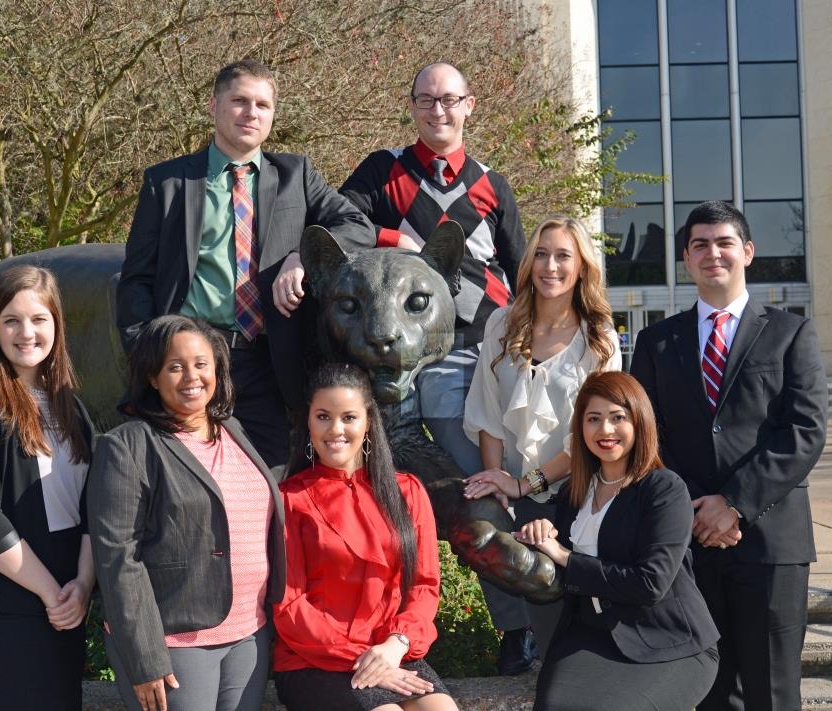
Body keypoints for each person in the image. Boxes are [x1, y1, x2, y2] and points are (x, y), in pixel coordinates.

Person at [340, 61, 530, 674]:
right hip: (399, 346)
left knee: (472, 483)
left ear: (469, 106)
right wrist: (406, 247)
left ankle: (518, 626)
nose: (438, 110)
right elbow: (344, 227)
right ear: (413, 105)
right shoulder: (383, 170)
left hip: (472, 350)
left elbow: (519, 268)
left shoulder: (492, 185)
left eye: (449, 100)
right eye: (426, 100)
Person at [117, 59, 374, 468]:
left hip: (267, 361)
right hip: (190, 358)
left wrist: (300, 257)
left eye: (262, 104)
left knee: (266, 483)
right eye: (239, 101)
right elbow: (136, 281)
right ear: (214, 106)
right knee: (187, 481)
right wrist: (148, 352)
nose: (251, 112)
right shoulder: (166, 183)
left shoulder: (296, 174)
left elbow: (357, 225)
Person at [630, 200, 827, 710]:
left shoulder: (791, 333)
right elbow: (649, 438)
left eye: (724, 242)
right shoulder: (656, 342)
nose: (712, 253)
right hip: (689, 541)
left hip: (771, 542)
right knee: (708, 690)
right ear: (686, 259)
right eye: (699, 244)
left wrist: (733, 503)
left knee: (773, 691)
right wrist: (698, 508)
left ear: (748, 252)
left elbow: (804, 432)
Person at [88, 315, 285, 711]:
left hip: (249, 634)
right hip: (175, 642)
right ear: (152, 377)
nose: (191, 376)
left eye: (201, 363)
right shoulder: (127, 445)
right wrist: (143, 660)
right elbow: (117, 558)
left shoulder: (234, 429)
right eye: (175, 367)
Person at [461, 215, 621, 655]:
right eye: (542, 255)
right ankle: (517, 640)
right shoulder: (501, 324)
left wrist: (525, 484)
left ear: (583, 268)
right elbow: (487, 413)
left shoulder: (599, 339)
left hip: (577, 494)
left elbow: (594, 437)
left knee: (568, 622)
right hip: (515, 493)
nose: (551, 266)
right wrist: (498, 486)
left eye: (564, 256)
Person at [516, 371, 719, 710]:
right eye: (593, 419)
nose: (605, 430)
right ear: (580, 428)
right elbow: (553, 559)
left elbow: (649, 584)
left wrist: (565, 556)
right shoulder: (572, 493)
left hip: (669, 643)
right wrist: (540, 532)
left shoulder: (664, 490)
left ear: (639, 423)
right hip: (590, 637)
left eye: (617, 418)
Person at [0, 265, 95, 711]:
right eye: (11, 320)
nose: (25, 332)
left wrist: (82, 587)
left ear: (56, 326)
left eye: (38, 319)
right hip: (1, 613)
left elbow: (95, 509)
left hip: (66, 610)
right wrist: (52, 592)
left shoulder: (74, 409)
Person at [273, 363, 458, 711]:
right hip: (315, 659)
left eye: (349, 417)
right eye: (323, 416)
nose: (336, 430)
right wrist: (361, 658)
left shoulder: (408, 491)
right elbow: (290, 607)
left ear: (368, 422)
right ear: (308, 423)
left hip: (389, 649)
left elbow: (424, 585)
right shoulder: (289, 500)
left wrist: (396, 645)